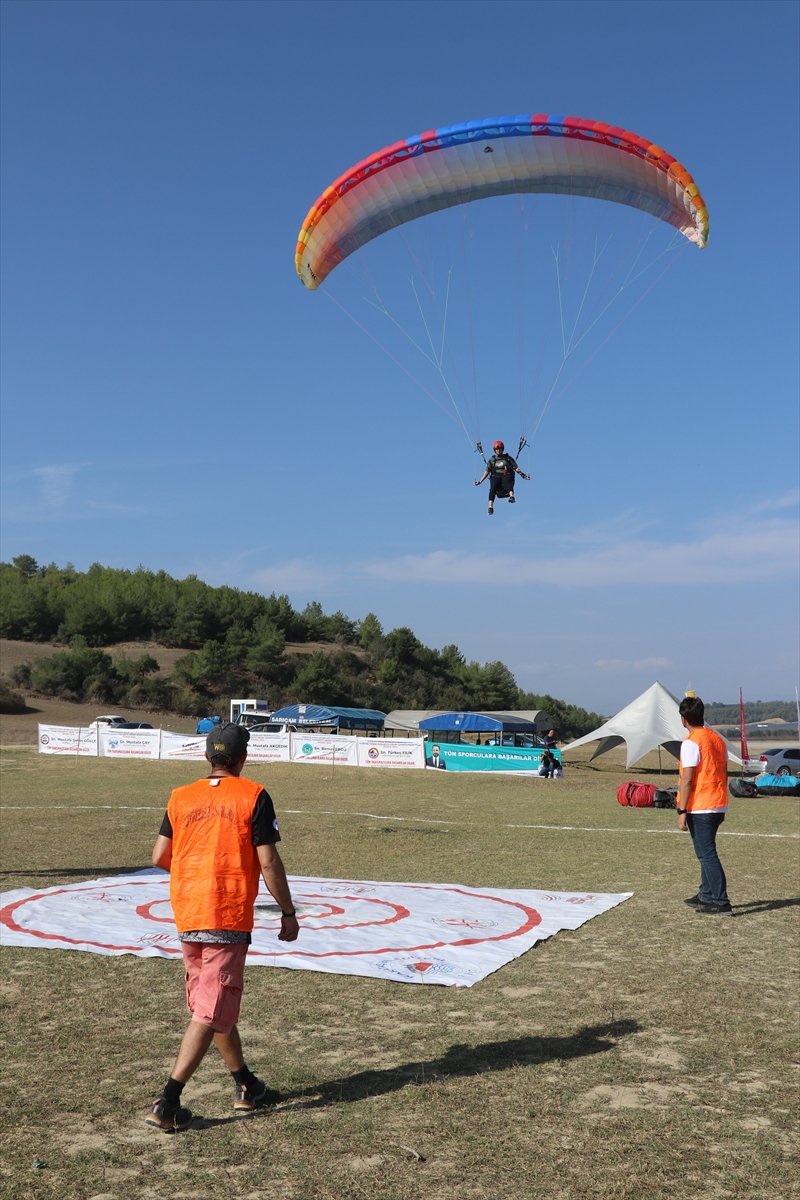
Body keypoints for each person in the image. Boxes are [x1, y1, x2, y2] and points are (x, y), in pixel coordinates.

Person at [146, 723, 299, 1132]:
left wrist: (196, 871)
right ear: (242, 758)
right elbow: (268, 861)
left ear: (207, 758)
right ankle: (168, 1100)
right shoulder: (253, 795)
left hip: (188, 911)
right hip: (226, 914)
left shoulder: (181, 797)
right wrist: (287, 911)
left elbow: (161, 854)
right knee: (211, 1009)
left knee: (211, 1006)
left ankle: (245, 1083)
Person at [676, 695, 732, 915]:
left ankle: (720, 901)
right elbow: (724, 772)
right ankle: (706, 894)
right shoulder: (717, 739)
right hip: (717, 802)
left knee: (706, 854)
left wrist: (682, 809)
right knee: (705, 852)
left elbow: (687, 779)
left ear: (683, 719)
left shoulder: (691, 742)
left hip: (701, 804)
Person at [474, 440, 531, 515]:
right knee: (492, 487)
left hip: (506, 476)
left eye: (500, 449)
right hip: (496, 477)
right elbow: (487, 471)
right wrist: (480, 481)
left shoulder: (508, 458)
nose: (498, 450)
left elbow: (516, 468)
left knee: (507, 479)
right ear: (494, 450)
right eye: (497, 449)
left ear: (502, 449)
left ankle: (511, 496)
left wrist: (523, 475)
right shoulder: (492, 460)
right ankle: (490, 507)